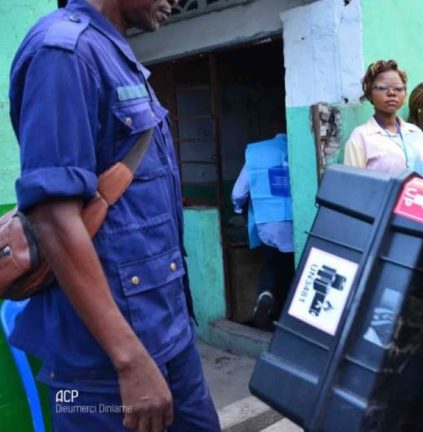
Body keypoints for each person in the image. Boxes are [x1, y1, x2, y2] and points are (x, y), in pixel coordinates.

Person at [8, 0, 220, 431]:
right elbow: (53, 217)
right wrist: (129, 360)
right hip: (101, 371)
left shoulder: (114, 55)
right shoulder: (62, 53)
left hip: (168, 337)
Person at [231, 134, 296, 330]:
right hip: (296, 220)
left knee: (271, 264)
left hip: (267, 221)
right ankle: (285, 317)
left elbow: (238, 193)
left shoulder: (256, 153)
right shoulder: (297, 149)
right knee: (290, 268)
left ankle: (266, 294)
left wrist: (238, 208)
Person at [343, 60, 423, 180]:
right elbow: (353, 184)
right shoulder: (361, 137)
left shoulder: (416, 133)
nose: (391, 93)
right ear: (370, 94)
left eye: (398, 89)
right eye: (382, 88)